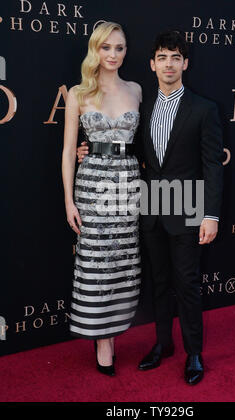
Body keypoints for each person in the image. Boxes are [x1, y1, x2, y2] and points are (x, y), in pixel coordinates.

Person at [77, 30, 223, 385]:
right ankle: (162, 344)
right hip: (152, 204)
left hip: (186, 203)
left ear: (185, 64)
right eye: (163, 57)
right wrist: (89, 150)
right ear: (152, 64)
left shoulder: (204, 108)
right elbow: (134, 151)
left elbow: (213, 165)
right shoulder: (144, 103)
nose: (169, 64)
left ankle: (194, 354)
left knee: (186, 283)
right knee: (158, 282)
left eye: (176, 57)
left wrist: (210, 214)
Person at [62, 21, 142, 377]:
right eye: (106, 47)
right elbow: (67, 152)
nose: (113, 54)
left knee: (121, 260)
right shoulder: (78, 93)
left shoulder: (138, 90)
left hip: (127, 185)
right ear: (95, 49)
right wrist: (69, 202)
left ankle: (113, 329)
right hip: (92, 185)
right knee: (94, 261)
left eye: (120, 48)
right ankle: (102, 340)